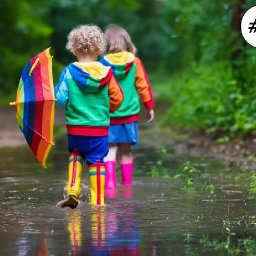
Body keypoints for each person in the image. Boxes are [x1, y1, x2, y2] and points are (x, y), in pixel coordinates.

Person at [54, 24, 123, 207]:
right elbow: (118, 99)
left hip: (76, 129)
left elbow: (60, 99)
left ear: (74, 49)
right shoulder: (107, 73)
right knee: (97, 161)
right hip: (98, 129)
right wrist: (108, 110)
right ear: (99, 50)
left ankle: (72, 190)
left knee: (75, 154)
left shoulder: (69, 72)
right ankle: (98, 201)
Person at [100, 24, 155, 189]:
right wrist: (149, 106)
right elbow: (143, 85)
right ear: (127, 43)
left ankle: (109, 184)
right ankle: (127, 186)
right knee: (126, 151)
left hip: (109, 115)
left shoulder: (102, 63)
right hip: (129, 115)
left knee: (110, 150)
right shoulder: (135, 62)